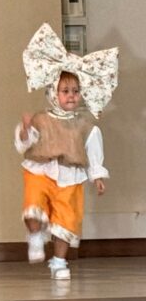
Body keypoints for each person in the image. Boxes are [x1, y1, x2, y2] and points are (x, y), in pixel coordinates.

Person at [16, 23, 117, 280]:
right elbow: (25, 144)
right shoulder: (41, 119)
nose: (71, 96)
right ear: (53, 93)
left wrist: (97, 175)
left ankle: (59, 261)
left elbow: (93, 151)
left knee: (65, 221)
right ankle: (35, 235)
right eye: (65, 91)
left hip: (71, 177)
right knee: (33, 208)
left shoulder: (85, 125)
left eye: (75, 91)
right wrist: (26, 131)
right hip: (41, 172)